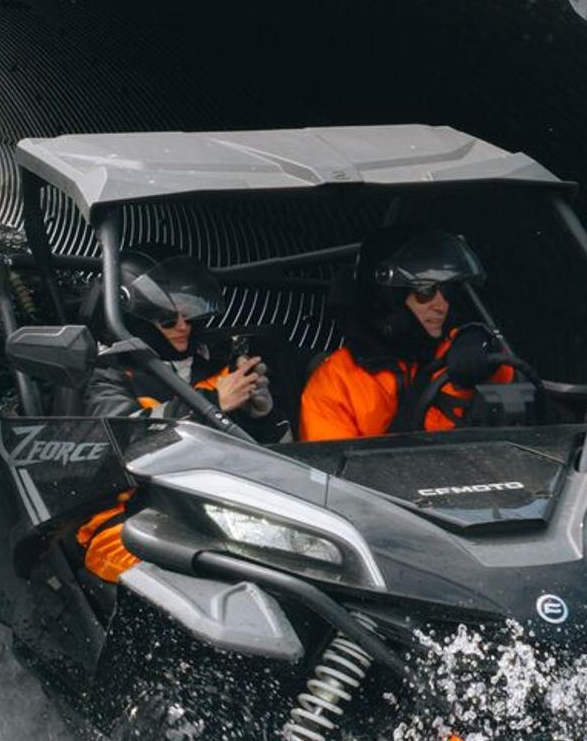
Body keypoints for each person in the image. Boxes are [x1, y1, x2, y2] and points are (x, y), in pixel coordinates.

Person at [74, 247, 277, 584]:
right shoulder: (105, 376)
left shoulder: (213, 364)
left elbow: (265, 457)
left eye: (189, 315)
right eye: (168, 320)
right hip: (129, 519)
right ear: (135, 321)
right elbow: (123, 441)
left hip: (216, 509)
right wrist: (211, 402)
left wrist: (261, 415)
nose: (183, 327)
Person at [297, 228, 517, 443]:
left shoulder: (457, 352)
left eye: (447, 291)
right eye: (425, 292)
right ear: (390, 299)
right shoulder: (337, 382)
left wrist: (485, 345)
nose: (441, 305)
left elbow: (515, 389)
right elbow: (330, 468)